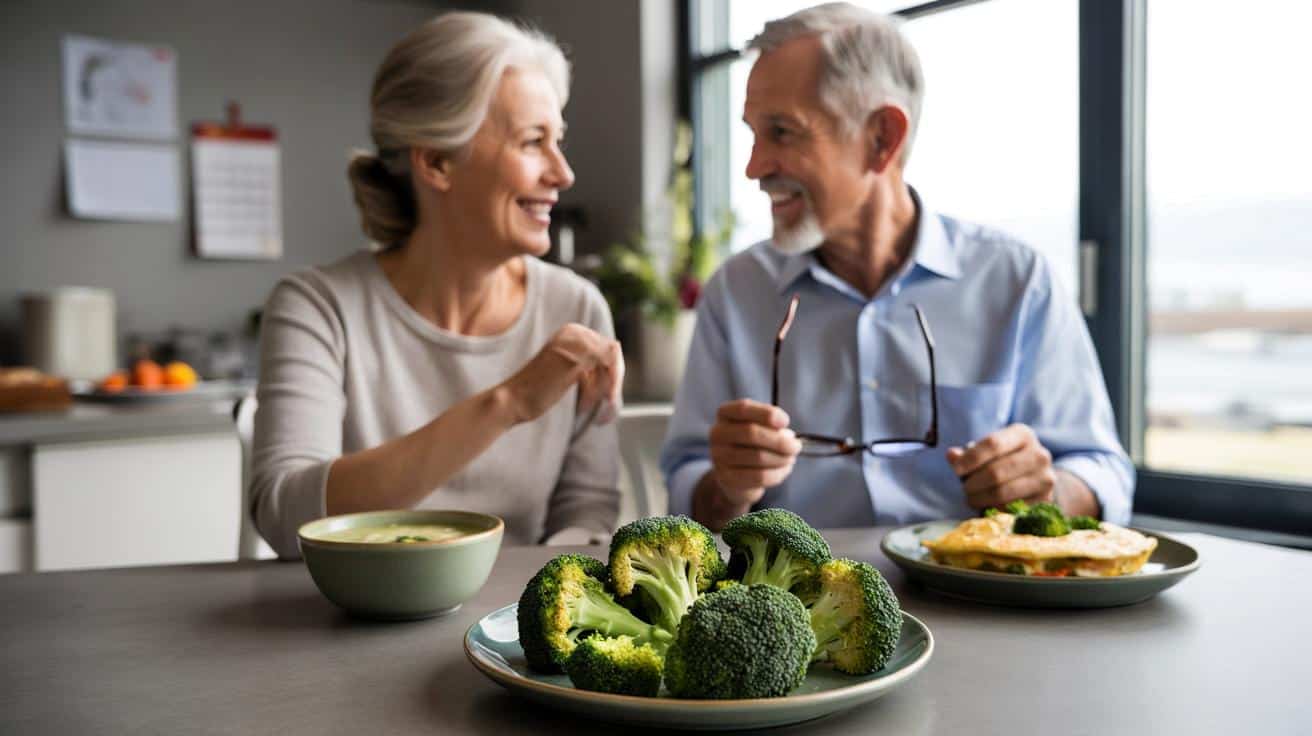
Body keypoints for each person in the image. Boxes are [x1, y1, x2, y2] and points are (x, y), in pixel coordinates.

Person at [660, 3, 1133, 532]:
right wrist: (727, 486)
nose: (754, 167)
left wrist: (1048, 490)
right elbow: (686, 491)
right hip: (799, 587)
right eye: (753, 134)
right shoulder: (736, 292)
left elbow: (1103, 472)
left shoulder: (1017, 282)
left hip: (974, 582)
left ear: (882, 137)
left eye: (782, 132)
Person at [251, 11, 624, 558]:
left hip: (513, 610)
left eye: (558, 141)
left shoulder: (577, 309)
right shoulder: (318, 307)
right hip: (347, 609)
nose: (563, 174)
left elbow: (586, 515)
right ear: (437, 162)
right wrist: (507, 403)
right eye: (532, 142)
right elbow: (285, 515)